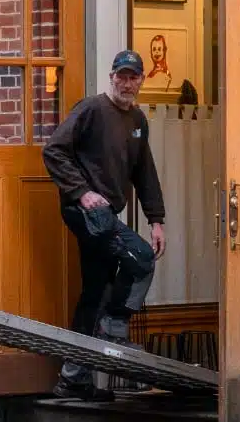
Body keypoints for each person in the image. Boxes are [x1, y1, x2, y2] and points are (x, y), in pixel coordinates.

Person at [39, 49, 166, 400]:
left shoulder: (137, 120)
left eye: (133, 77)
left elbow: (145, 173)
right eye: (121, 76)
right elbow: (54, 150)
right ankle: (114, 326)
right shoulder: (91, 109)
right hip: (85, 212)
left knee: (95, 290)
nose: (126, 83)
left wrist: (156, 220)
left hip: (107, 215)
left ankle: (73, 375)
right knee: (139, 258)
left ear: (141, 80)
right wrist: (81, 193)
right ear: (111, 77)